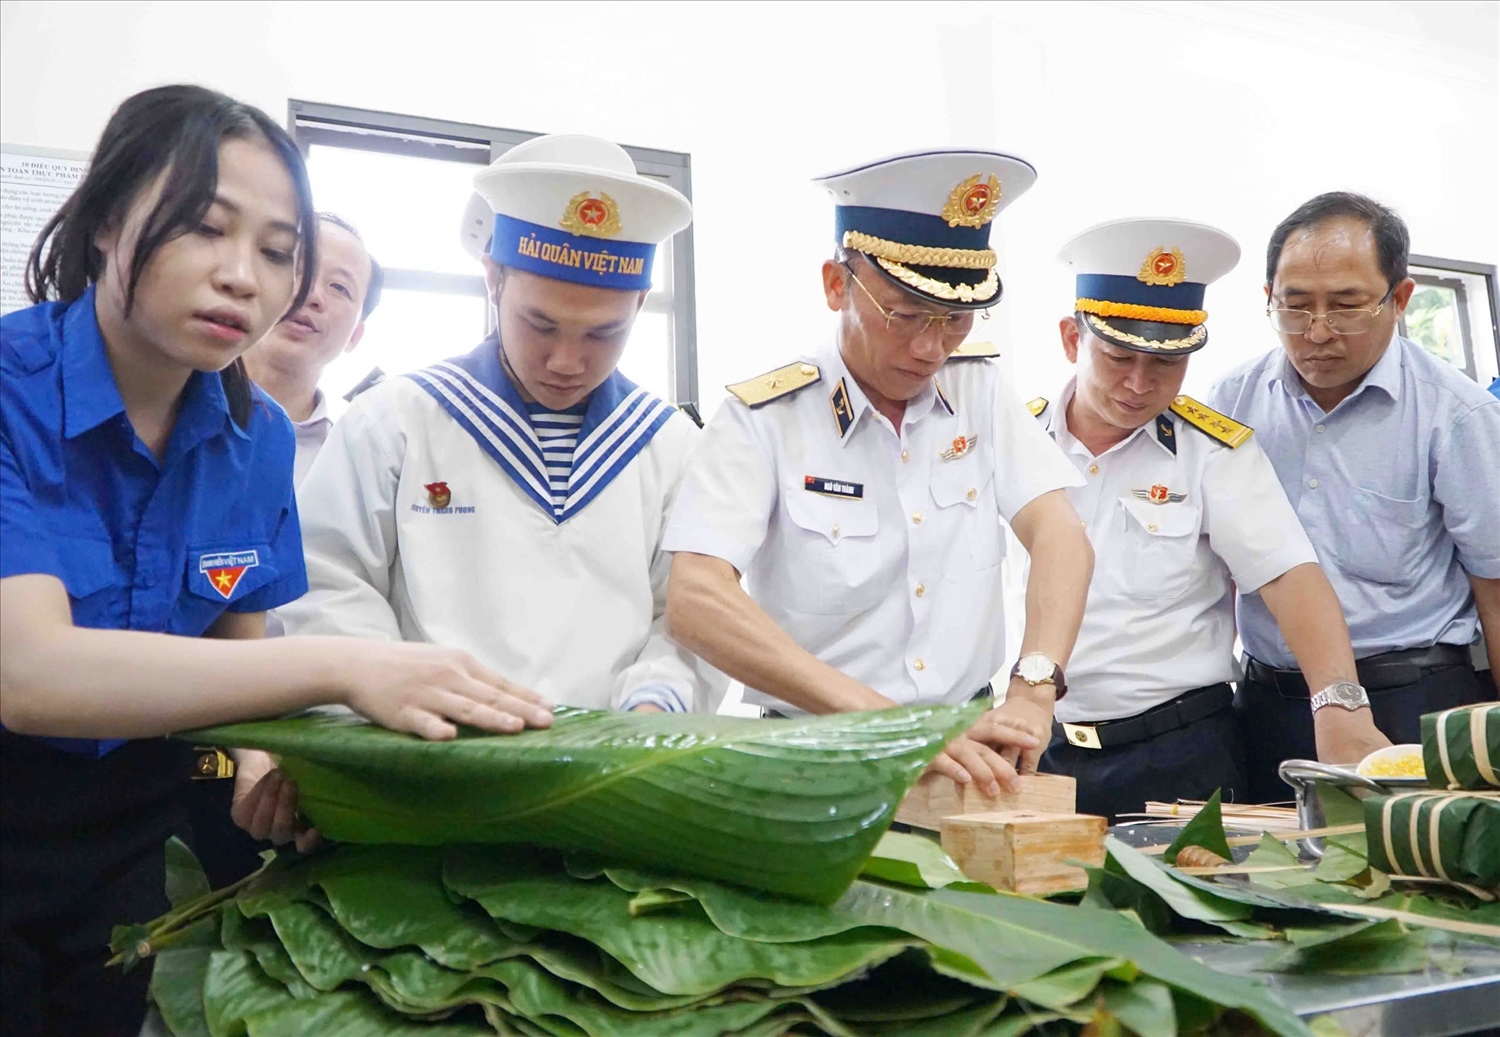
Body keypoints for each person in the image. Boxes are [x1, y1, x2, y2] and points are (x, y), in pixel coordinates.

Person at [0, 86, 553, 1037]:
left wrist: (263, 761)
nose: (243, 279)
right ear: (106, 222)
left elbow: (233, 677)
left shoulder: (253, 439)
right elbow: (30, 672)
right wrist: (351, 663)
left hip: (133, 837)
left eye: (275, 250)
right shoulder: (13, 390)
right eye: (205, 229)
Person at [663, 149, 1094, 795]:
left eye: (954, 318)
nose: (930, 348)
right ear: (838, 284)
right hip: (820, 754)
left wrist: (1035, 685)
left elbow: (1060, 533)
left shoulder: (977, 389)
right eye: (905, 315)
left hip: (971, 750)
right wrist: (888, 724)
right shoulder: (766, 418)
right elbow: (694, 598)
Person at [278, 134, 724, 715]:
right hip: (423, 766)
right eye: (539, 324)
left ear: (639, 304)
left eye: (602, 334)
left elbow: (689, 620)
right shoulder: (398, 421)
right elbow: (325, 584)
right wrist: (396, 701)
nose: (566, 362)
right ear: (494, 280)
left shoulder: (672, 447)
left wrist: (655, 706)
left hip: (612, 779)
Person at [1032, 218, 1383, 821]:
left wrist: (1340, 705)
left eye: (1166, 365)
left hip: (1178, 754)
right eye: (1119, 356)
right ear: (1072, 339)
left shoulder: (1213, 451)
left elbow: (1289, 577)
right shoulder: (1016, 441)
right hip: (1039, 751)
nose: (1139, 385)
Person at [1209, 192, 1500, 802]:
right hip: (1272, 703)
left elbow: (1494, 591)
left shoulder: (1458, 415)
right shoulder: (1231, 402)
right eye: (1294, 307)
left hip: (1415, 705)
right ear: (1268, 298)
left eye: (1345, 307)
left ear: (1399, 300)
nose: (1318, 333)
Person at [242, 211, 383, 484]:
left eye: (340, 287)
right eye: (296, 269)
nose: (311, 294)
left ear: (355, 335)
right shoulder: (165, 406)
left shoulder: (359, 460)